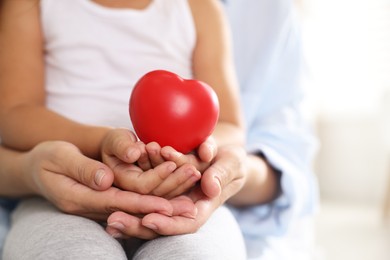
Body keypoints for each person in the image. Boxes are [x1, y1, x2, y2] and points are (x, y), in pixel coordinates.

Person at [0, 0, 253, 259]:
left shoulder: (199, 7)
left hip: (180, 200)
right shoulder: (30, 4)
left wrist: (192, 159)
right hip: (62, 194)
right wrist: (101, 142)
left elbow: (230, 127)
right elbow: (14, 116)